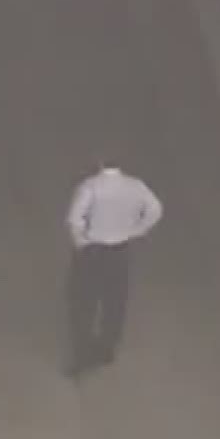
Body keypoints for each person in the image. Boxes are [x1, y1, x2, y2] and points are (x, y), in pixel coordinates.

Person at [64, 153, 163, 377]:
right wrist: (137, 230)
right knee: (115, 301)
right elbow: (155, 209)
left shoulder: (91, 186)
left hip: (93, 250)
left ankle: (82, 352)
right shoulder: (135, 186)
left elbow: (74, 219)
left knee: (84, 301)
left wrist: (81, 241)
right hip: (119, 251)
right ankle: (107, 348)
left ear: (99, 163)